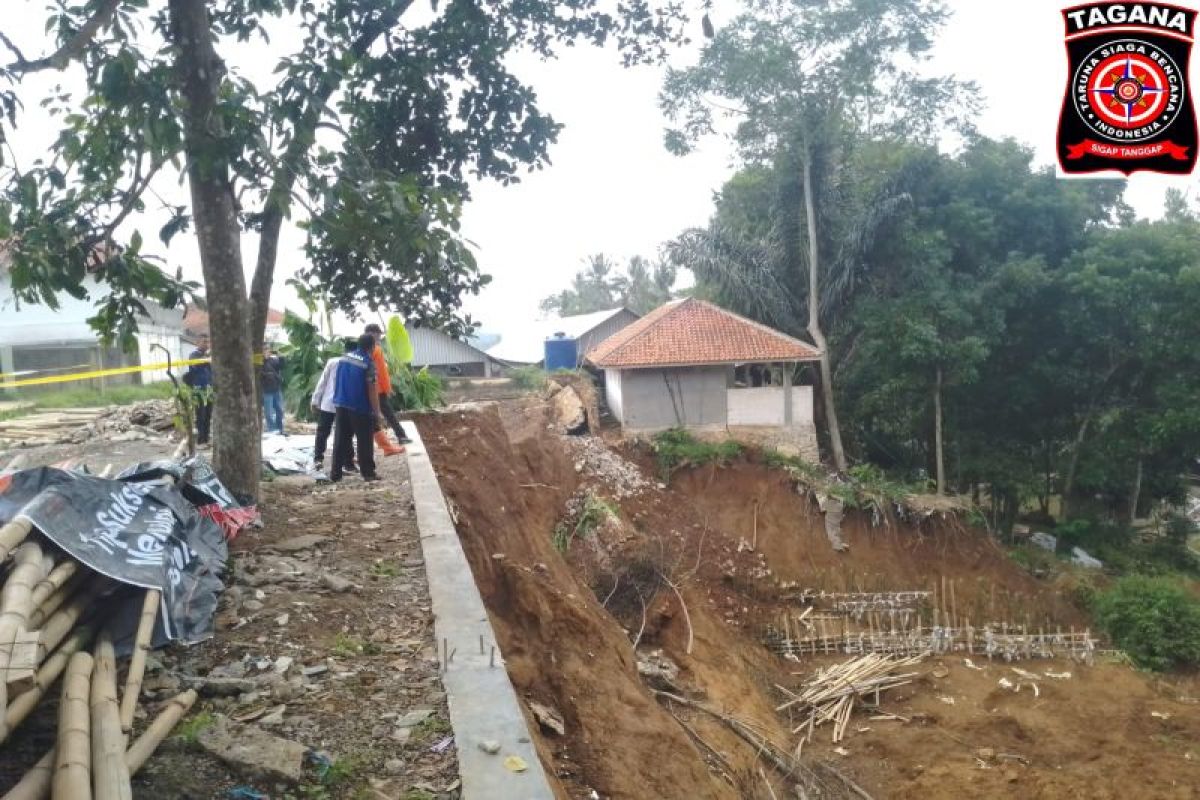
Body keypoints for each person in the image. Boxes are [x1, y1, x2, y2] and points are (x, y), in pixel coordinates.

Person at [329, 334, 386, 483]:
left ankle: (335, 473)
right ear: (372, 347)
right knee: (364, 441)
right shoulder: (368, 363)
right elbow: (372, 389)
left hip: (341, 404)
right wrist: (377, 412)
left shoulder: (344, 358)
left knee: (340, 439)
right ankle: (368, 473)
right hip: (360, 407)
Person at [310, 339, 358, 472]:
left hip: (328, 403)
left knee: (323, 432)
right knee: (345, 433)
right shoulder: (357, 364)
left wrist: (315, 400)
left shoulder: (333, 362)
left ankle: (318, 459)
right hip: (345, 404)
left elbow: (322, 382)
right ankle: (348, 463)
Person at [363, 323, 412, 453]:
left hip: (370, 388)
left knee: (374, 416)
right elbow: (380, 373)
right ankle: (400, 436)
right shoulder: (375, 350)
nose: (379, 337)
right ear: (371, 334)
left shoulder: (365, 349)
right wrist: (386, 388)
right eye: (378, 334)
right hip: (377, 389)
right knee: (388, 414)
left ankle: (390, 441)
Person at [182, 333, 213, 447]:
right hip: (198, 389)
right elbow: (197, 364)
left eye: (208, 342)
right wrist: (207, 358)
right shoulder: (194, 355)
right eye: (204, 342)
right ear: (197, 343)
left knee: (208, 414)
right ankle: (200, 440)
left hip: (209, 389)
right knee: (201, 414)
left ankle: (206, 438)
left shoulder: (209, 357)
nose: (206, 344)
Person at [261, 344, 286, 435]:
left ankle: (280, 429)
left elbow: (281, 366)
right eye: (264, 349)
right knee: (269, 412)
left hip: (276, 389)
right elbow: (260, 373)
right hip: (266, 390)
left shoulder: (273, 360)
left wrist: (281, 356)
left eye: (267, 349)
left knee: (279, 410)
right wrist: (268, 374)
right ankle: (272, 430)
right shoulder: (259, 362)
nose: (266, 351)